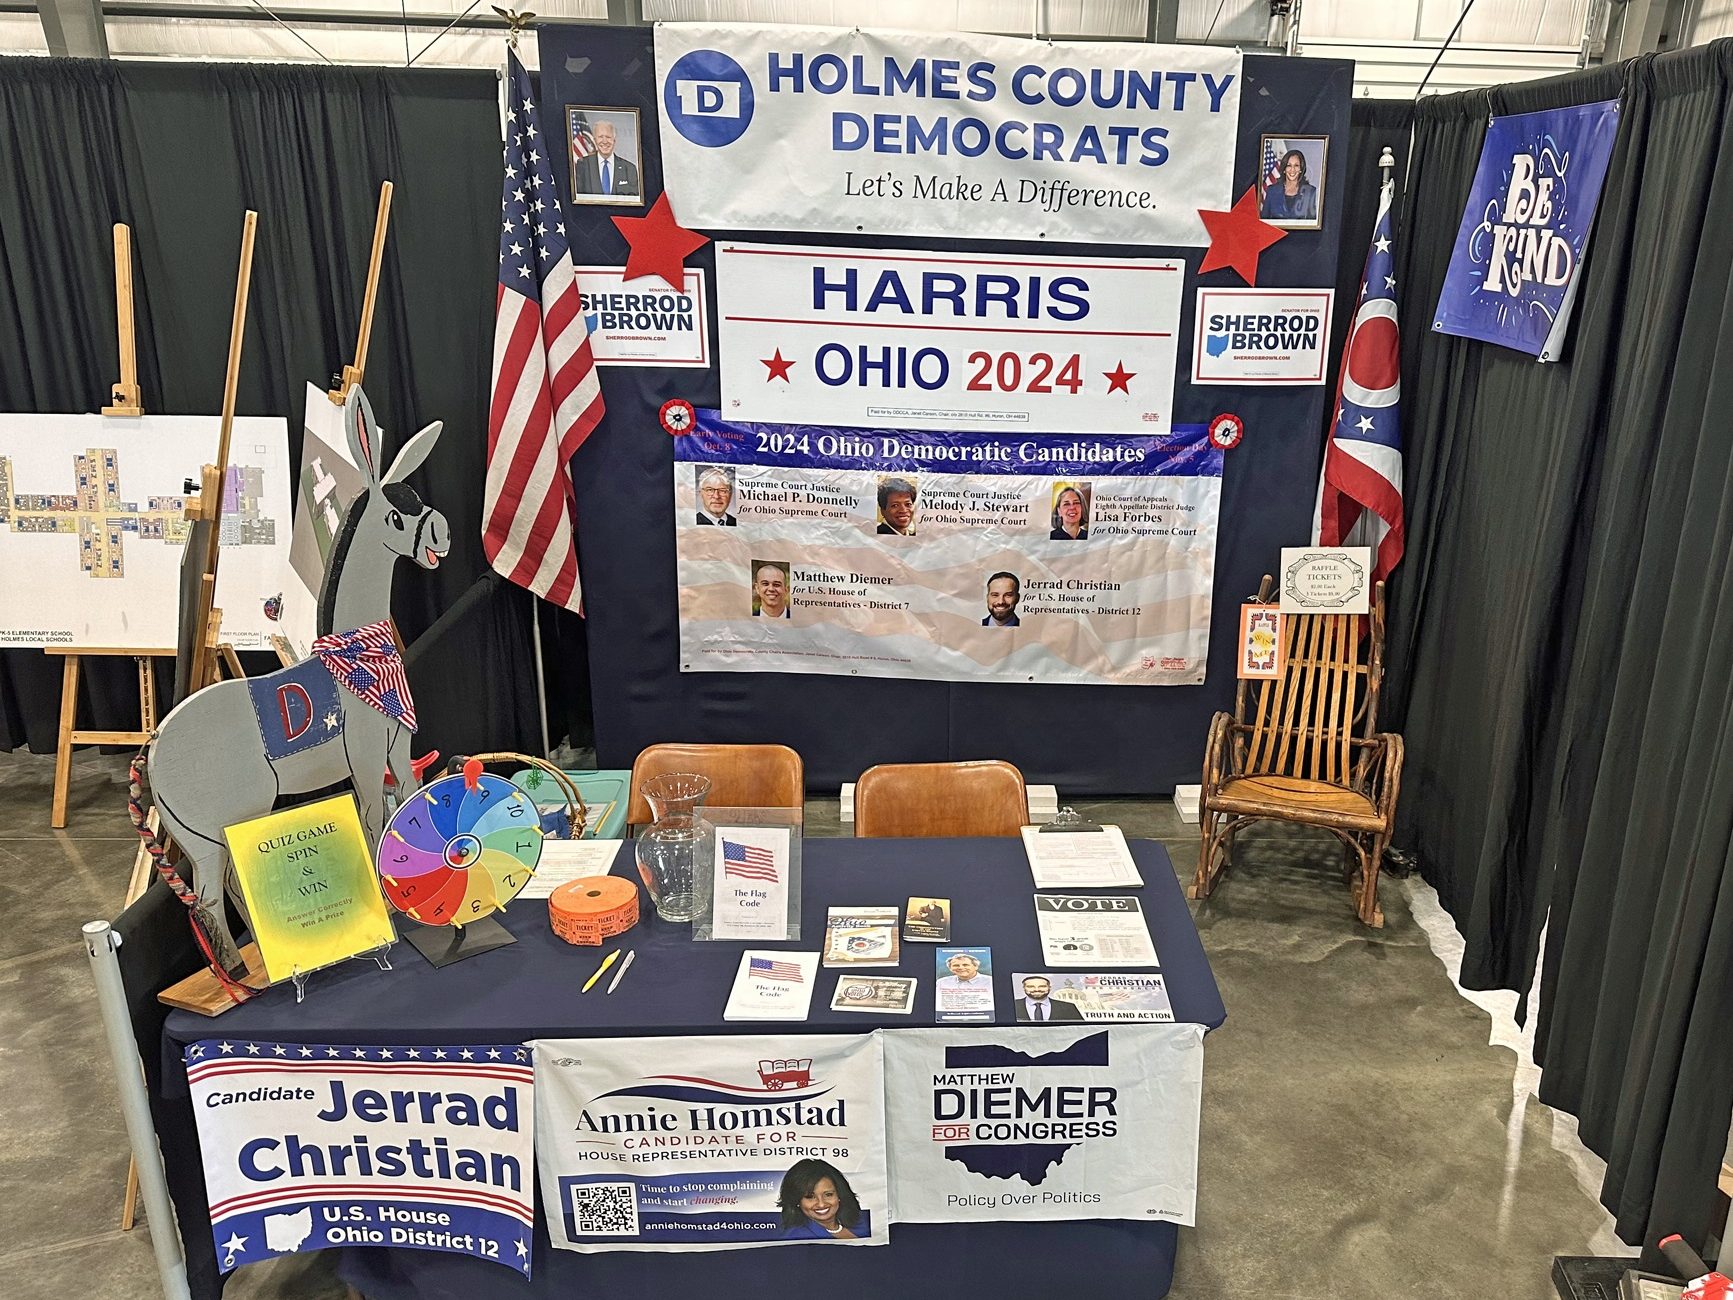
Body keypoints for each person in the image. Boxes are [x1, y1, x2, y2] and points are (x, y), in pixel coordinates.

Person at [778, 1159, 870, 1240]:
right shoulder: (795, 1238)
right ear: (796, 1201)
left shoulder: (864, 1221)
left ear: (840, 1194)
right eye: (810, 1197)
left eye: (828, 1195)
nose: (821, 1204)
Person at [575, 119, 640, 199]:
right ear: (595, 140)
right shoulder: (583, 165)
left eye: (608, 137)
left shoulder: (629, 168)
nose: (605, 141)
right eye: (600, 137)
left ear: (614, 140)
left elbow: (633, 201)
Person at [1260, 148, 1318, 223]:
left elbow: (1313, 224)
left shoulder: (1310, 192)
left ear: (1301, 169)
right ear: (1284, 169)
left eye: (1296, 165)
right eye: (1289, 165)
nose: (1292, 170)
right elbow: (1264, 222)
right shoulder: (1272, 191)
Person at [1016, 975, 1084, 1022]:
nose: (1037, 989)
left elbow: (1080, 1029)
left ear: (1049, 988)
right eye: (1031, 986)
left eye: (1042, 986)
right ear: (1024, 988)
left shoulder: (1069, 1007)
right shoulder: (1012, 1006)